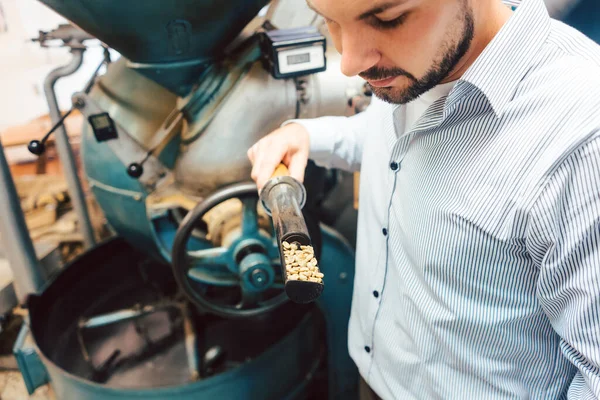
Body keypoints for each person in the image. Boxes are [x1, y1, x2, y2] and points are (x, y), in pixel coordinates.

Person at [247, 0, 600, 398]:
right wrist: (310, 135)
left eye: (388, 19)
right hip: (375, 376)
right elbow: (391, 135)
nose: (350, 62)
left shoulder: (583, 144)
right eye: (329, 20)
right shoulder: (415, 69)